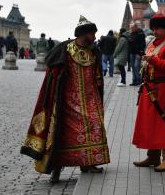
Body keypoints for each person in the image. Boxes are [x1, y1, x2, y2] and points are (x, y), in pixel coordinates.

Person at [21, 15, 110, 183]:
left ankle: (88, 163)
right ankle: (55, 168)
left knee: (95, 126)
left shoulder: (93, 51)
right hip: (68, 101)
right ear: (84, 34)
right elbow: (54, 74)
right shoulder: (65, 50)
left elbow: (97, 73)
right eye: (92, 34)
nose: (95, 37)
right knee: (61, 134)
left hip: (91, 100)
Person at [132, 13, 165, 172]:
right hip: (150, 88)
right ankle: (153, 156)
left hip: (163, 90)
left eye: (157, 28)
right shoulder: (154, 43)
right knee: (151, 123)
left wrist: (152, 60)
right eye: (153, 28)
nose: (154, 31)